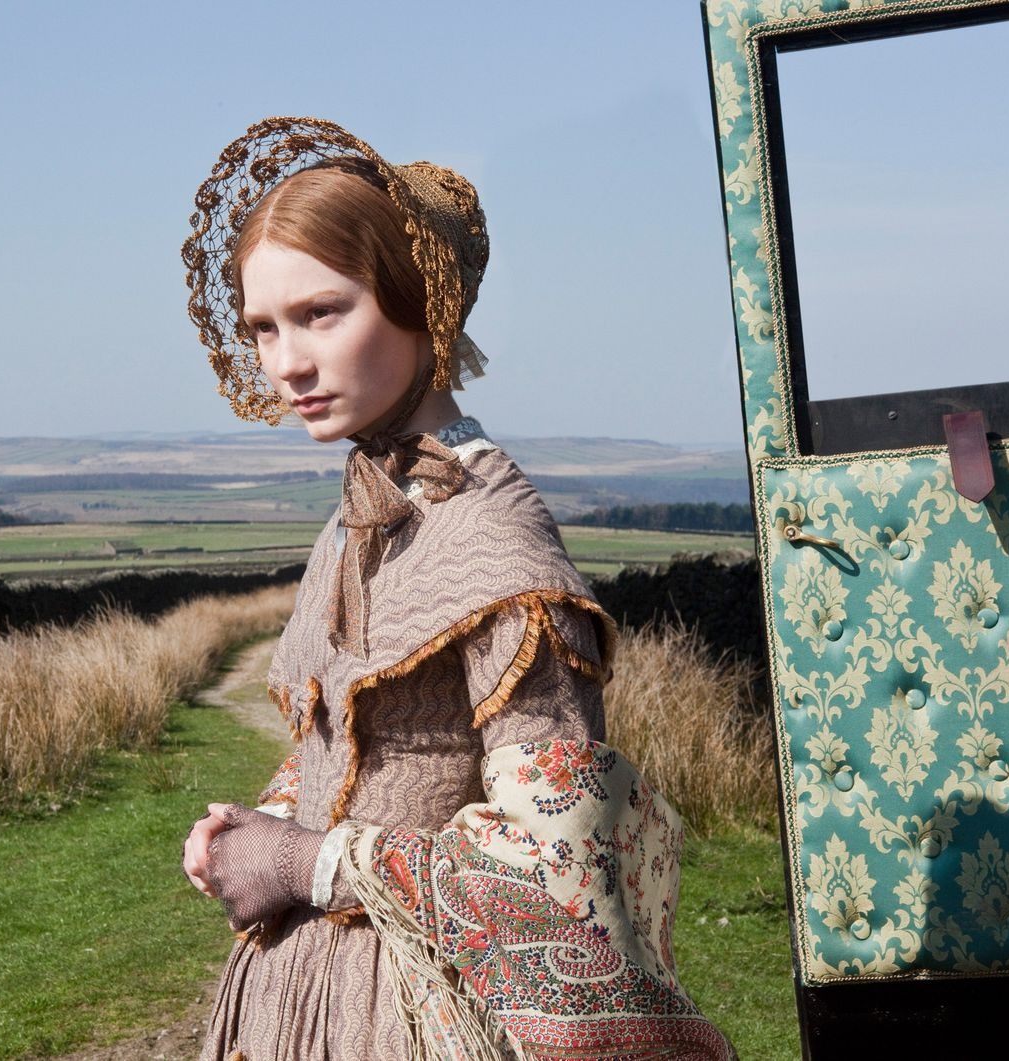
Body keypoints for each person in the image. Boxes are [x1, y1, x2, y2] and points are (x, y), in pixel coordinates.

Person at [179, 117, 729, 1061]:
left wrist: (305, 861)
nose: (287, 363)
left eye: (322, 312)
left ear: (418, 301)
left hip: (420, 1014)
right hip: (307, 1001)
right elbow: (356, 752)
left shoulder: (493, 541)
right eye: (264, 327)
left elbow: (559, 874)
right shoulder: (362, 515)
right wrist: (260, 819)